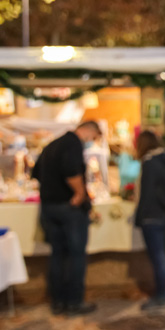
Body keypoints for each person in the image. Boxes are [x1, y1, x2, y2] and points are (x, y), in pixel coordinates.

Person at [33, 121, 102, 316]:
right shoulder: (72, 144)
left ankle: (58, 300)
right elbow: (71, 171)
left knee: (58, 254)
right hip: (68, 208)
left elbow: (36, 172)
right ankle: (74, 301)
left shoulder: (54, 144)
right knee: (76, 255)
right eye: (93, 137)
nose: (91, 141)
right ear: (89, 131)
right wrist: (79, 194)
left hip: (49, 206)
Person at [134, 130, 165, 310]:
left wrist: (140, 216)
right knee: (160, 255)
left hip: (150, 215)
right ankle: (162, 292)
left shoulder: (150, 163)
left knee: (157, 257)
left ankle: (161, 295)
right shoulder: (164, 160)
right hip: (162, 213)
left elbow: (146, 194)